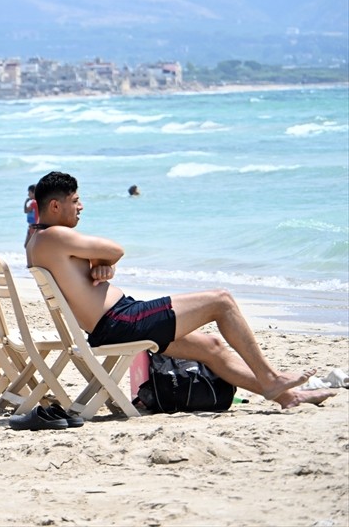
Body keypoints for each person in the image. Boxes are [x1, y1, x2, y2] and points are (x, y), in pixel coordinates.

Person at [26, 171, 336, 410]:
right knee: (222, 301)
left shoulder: (40, 241)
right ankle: (272, 378)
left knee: (211, 346)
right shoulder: (55, 236)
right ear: (55, 205)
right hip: (122, 322)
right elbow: (115, 249)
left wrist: (101, 266)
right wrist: (104, 260)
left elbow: (95, 268)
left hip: (118, 321)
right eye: (75, 200)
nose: (81, 206)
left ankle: (287, 397)